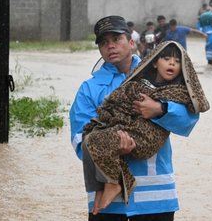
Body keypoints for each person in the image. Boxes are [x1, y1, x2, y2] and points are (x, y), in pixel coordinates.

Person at [70, 15, 200, 221]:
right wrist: (113, 147)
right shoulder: (89, 88)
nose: (110, 46)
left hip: (156, 197)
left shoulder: (160, 73)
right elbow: (79, 139)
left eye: (116, 39)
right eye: (104, 43)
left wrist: (160, 109)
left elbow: (189, 120)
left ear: (131, 42)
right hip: (108, 201)